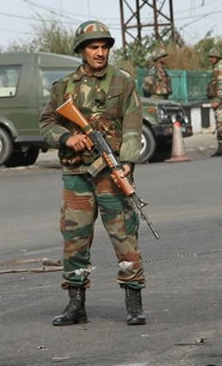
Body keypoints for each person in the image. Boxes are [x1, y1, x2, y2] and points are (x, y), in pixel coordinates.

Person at [39, 20, 147, 326]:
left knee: (124, 235)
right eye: (93, 47)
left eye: (104, 47)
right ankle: (76, 304)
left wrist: (126, 162)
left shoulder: (122, 83)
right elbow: (46, 122)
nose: (100, 53)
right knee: (75, 239)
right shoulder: (63, 87)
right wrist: (68, 138)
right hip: (76, 173)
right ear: (82, 51)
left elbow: (133, 123)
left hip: (111, 173)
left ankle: (134, 301)